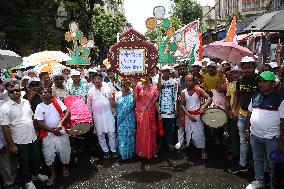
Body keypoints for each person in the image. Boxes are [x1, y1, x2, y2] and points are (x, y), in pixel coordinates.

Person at [0, 81, 47, 189]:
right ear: (8, 93)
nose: (15, 92)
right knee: (24, 161)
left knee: (36, 157)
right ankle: (27, 181)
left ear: (20, 90)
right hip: (19, 140)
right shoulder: (4, 108)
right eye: (11, 91)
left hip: (32, 136)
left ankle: (35, 175)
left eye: (17, 90)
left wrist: (36, 130)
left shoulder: (26, 102)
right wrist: (11, 145)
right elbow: (5, 127)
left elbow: (32, 117)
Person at [246, 71, 284, 189]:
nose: (261, 84)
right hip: (255, 135)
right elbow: (249, 113)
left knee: (273, 162)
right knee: (257, 159)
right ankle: (259, 181)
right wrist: (247, 131)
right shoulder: (255, 95)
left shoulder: (280, 98)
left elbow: (283, 121)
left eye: (264, 81)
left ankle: (274, 183)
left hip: (272, 138)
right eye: (260, 81)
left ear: (273, 83)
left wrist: (282, 141)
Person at [35, 87, 71, 186]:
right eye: (41, 93)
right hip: (48, 134)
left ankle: (64, 168)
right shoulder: (39, 106)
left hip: (60, 130)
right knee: (48, 154)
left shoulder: (57, 102)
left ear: (50, 93)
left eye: (45, 92)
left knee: (64, 151)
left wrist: (61, 123)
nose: (43, 94)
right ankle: (53, 174)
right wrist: (53, 131)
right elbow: (40, 123)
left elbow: (67, 112)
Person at [229, 56, 259, 173]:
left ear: (254, 67)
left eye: (249, 67)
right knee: (243, 140)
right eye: (245, 68)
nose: (247, 70)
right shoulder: (240, 81)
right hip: (242, 114)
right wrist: (233, 109)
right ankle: (242, 164)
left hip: (256, 116)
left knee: (255, 141)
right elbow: (237, 95)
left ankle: (255, 165)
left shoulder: (259, 79)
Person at [180, 74, 212, 159]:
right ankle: (190, 148)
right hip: (189, 116)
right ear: (184, 82)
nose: (188, 82)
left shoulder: (198, 89)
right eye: (187, 80)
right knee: (189, 132)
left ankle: (203, 151)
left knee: (200, 134)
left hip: (198, 116)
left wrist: (203, 107)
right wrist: (188, 115)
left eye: (190, 80)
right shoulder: (183, 92)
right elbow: (182, 105)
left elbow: (209, 98)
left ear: (193, 81)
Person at [87, 72, 117, 159]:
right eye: (95, 79)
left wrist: (114, 112)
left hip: (108, 115)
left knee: (111, 133)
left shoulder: (107, 89)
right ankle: (105, 151)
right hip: (97, 117)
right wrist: (90, 118)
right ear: (92, 81)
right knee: (100, 135)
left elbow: (113, 103)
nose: (97, 81)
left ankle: (113, 150)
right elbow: (89, 106)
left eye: (99, 79)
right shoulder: (90, 92)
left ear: (102, 80)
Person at [134, 75, 160, 159]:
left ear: (149, 77)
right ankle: (142, 151)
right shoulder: (138, 87)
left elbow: (155, 102)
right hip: (141, 114)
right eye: (143, 76)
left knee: (151, 132)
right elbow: (135, 99)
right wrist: (134, 88)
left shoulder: (154, 88)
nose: (144, 78)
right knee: (142, 132)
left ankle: (152, 151)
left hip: (151, 113)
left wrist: (159, 113)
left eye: (146, 76)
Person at [157, 65, 178, 150]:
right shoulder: (159, 81)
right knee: (160, 126)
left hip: (170, 108)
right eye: (164, 71)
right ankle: (160, 142)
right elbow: (158, 90)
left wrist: (176, 109)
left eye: (167, 71)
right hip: (161, 108)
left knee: (169, 127)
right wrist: (159, 77)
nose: (165, 73)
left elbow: (176, 95)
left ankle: (169, 142)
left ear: (169, 72)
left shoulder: (174, 82)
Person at [115, 78, 136, 160]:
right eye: (123, 83)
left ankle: (130, 153)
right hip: (121, 119)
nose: (125, 85)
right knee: (122, 135)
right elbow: (114, 106)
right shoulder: (118, 94)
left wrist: (133, 88)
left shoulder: (132, 92)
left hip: (130, 118)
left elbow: (135, 100)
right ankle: (123, 153)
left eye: (127, 83)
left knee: (130, 134)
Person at [226, 66, 242, 160]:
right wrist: (228, 105)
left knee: (243, 135)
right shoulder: (230, 85)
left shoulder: (243, 84)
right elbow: (228, 96)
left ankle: (245, 156)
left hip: (241, 112)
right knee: (234, 134)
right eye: (233, 73)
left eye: (237, 73)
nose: (235, 75)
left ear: (241, 74)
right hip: (232, 113)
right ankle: (236, 153)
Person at [175, 63, 189, 149]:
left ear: (187, 69)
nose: (182, 70)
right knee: (181, 124)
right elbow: (176, 95)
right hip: (181, 106)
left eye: (184, 69)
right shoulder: (177, 81)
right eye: (180, 69)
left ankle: (189, 141)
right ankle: (180, 141)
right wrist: (176, 108)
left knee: (191, 124)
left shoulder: (193, 79)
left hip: (191, 105)